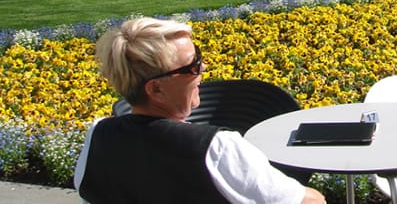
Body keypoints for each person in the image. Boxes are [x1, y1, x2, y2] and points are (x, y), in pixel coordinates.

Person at [74, 17, 326, 204]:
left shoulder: (98, 136)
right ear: (156, 89)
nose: (202, 68)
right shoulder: (216, 149)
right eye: (192, 66)